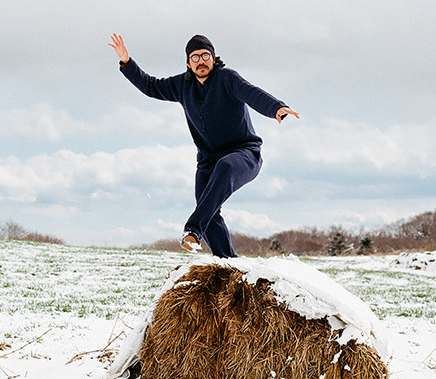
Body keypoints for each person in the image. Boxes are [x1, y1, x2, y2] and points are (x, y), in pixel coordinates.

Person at [108, 33, 299, 258]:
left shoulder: (227, 78)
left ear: (214, 58)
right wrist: (127, 63)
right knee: (208, 210)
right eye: (195, 57)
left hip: (244, 154)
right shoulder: (182, 85)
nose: (201, 61)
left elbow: (250, 92)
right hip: (208, 161)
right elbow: (151, 86)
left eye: (205, 56)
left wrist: (276, 107)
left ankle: (192, 230)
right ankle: (228, 263)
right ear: (188, 63)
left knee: (225, 169)